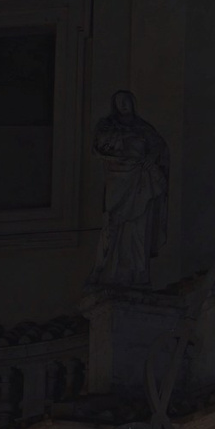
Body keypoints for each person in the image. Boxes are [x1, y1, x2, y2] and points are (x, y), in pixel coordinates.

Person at [89, 90, 169, 288]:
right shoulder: (107, 126)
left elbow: (159, 147)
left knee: (138, 225)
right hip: (118, 179)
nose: (123, 104)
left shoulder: (143, 128)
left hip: (140, 180)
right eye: (119, 101)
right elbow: (100, 146)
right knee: (113, 222)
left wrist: (150, 158)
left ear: (133, 102)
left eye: (126, 100)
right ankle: (107, 270)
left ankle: (138, 272)